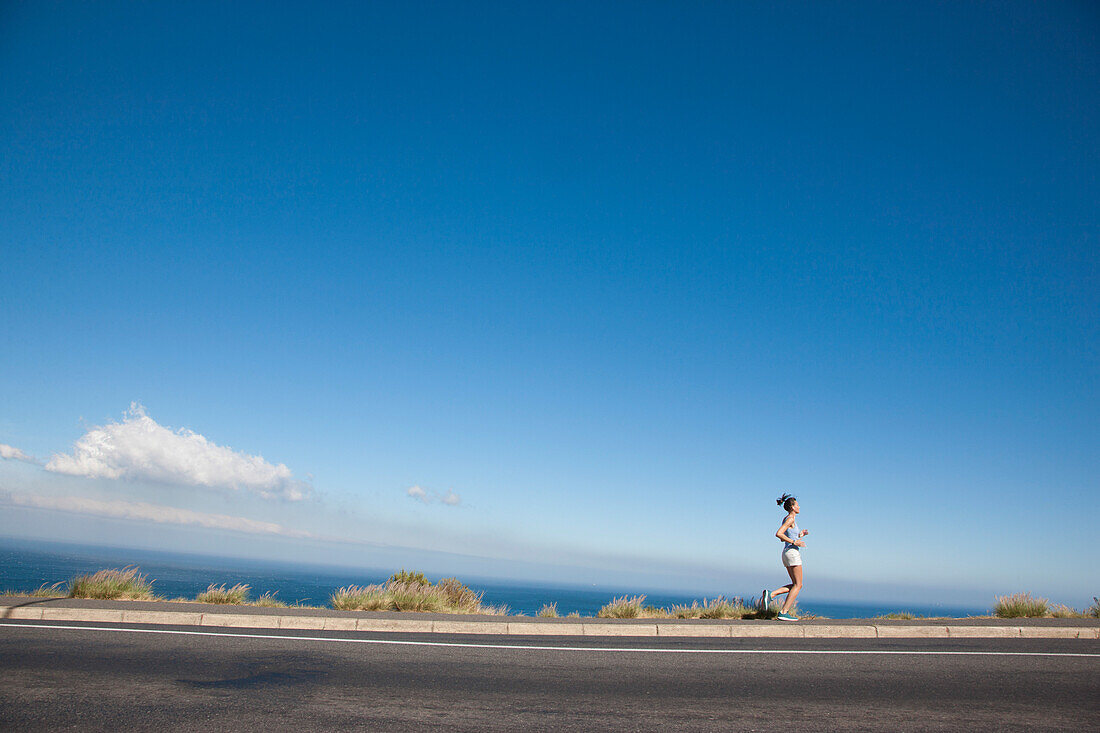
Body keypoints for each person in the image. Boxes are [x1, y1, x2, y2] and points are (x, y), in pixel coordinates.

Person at [761, 493, 808, 621]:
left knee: (795, 584)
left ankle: (772, 594)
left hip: (787, 553)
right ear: (792, 507)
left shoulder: (787, 519)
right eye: (797, 505)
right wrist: (795, 542)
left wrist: (800, 535)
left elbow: (786, 538)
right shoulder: (790, 519)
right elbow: (779, 534)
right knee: (798, 585)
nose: (799, 507)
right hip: (792, 553)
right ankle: (783, 612)